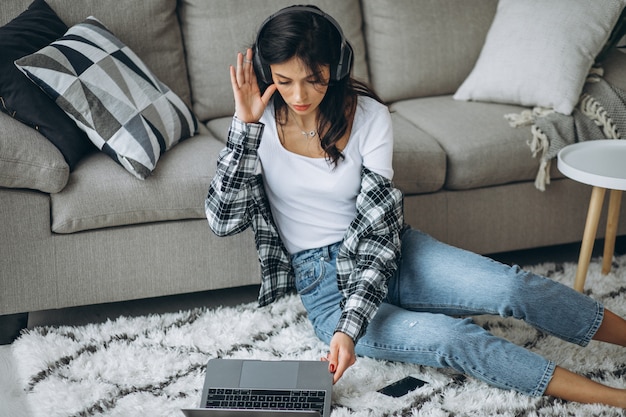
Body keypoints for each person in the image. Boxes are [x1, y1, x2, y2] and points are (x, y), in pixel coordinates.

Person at [205, 4, 626, 408]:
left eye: (314, 78)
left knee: (512, 287)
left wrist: (352, 327)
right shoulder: (254, 125)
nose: (300, 94)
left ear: (336, 67)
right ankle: (615, 398)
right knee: (454, 339)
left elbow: (376, 237)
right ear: (267, 74)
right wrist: (244, 129)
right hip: (326, 287)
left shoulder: (368, 116)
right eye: (285, 79)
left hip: (393, 253)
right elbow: (221, 221)